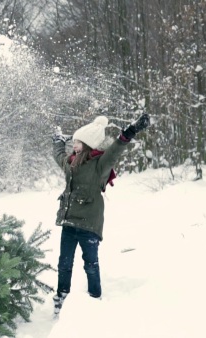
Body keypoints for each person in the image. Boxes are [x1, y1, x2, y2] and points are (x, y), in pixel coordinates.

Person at [51, 113, 150, 314]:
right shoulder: (71, 162)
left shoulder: (100, 164)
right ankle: (61, 297)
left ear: (87, 144)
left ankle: (95, 299)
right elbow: (59, 156)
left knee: (91, 264)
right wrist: (58, 142)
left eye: (77, 143)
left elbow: (116, 150)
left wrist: (131, 130)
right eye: (73, 142)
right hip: (69, 222)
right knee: (64, 263)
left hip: (89, 223)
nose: (74, 146)